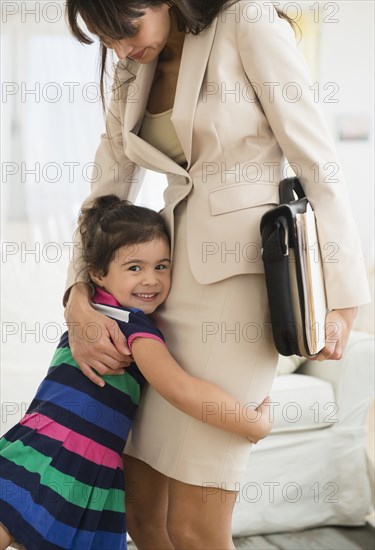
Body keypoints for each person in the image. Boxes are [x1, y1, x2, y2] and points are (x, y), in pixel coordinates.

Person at [63, 1, 371, 549]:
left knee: (194, 528)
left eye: (123, 30)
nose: (118, 50)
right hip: (163, 294)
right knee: (143, 518)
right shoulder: (135, 63)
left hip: (240, 294)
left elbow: (317, 164)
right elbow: (107, 183)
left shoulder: (248, 23)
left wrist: (344, 301)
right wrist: (76, 295)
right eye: (104, 41)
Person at [0, 195, 273, 550]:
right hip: (69, 454)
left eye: (162, 266)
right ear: (98, 273)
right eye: (135, 268)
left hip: (39, 441)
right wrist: (254, 424)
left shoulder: (92, 311)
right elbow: (180, 388)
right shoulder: (133, 328)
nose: (151, 280)